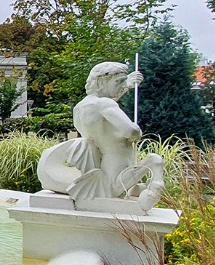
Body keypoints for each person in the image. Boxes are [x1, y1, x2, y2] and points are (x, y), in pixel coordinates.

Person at [37, 62, 164, 210]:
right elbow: (131, 131)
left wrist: (126, 85)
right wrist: (137, 131)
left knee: (131, 187)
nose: (121, 85)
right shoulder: (104, 104)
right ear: (102, 82)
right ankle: (155, 187)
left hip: (104, 159)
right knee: (154, 160)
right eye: (118, 81)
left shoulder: (80, 107)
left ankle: (144, 190)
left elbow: (106, 106)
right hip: (117, 159)